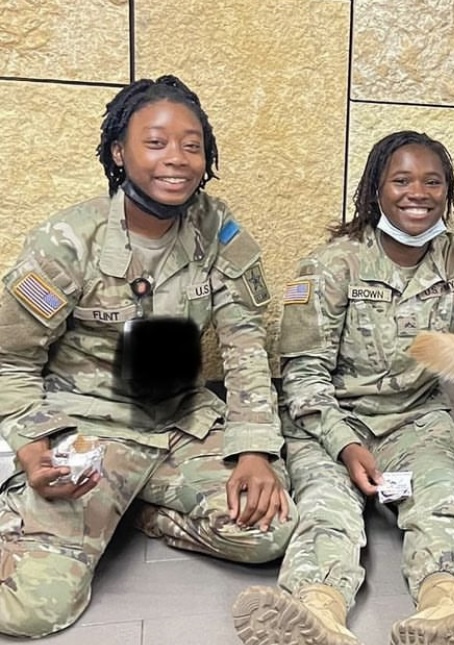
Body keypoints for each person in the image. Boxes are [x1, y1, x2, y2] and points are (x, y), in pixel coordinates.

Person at [0, 75, 294, 638]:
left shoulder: (217, 229)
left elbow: (245, 343)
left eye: (192, 144)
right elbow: (9, 361)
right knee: (32, 610)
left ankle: (130, 509)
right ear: (119, 151)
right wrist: (33, 446)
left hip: (180, 422)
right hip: (89, 429)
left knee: (268, 531)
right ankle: (60, 507)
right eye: (155, 143)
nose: (177, 160)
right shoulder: (67, 242)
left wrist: (254, 448)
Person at [232, 131, 454, 645]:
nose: (417, 193)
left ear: (448, 193)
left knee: (443, 497)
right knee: (325, 508)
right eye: (400, 181)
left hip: (416, 421)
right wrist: (344, 443)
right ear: (374, 190)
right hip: (332, 424)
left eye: (432, 182)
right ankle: (317, 617)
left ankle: (444, 612)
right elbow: (302, 376)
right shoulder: (332, 265)